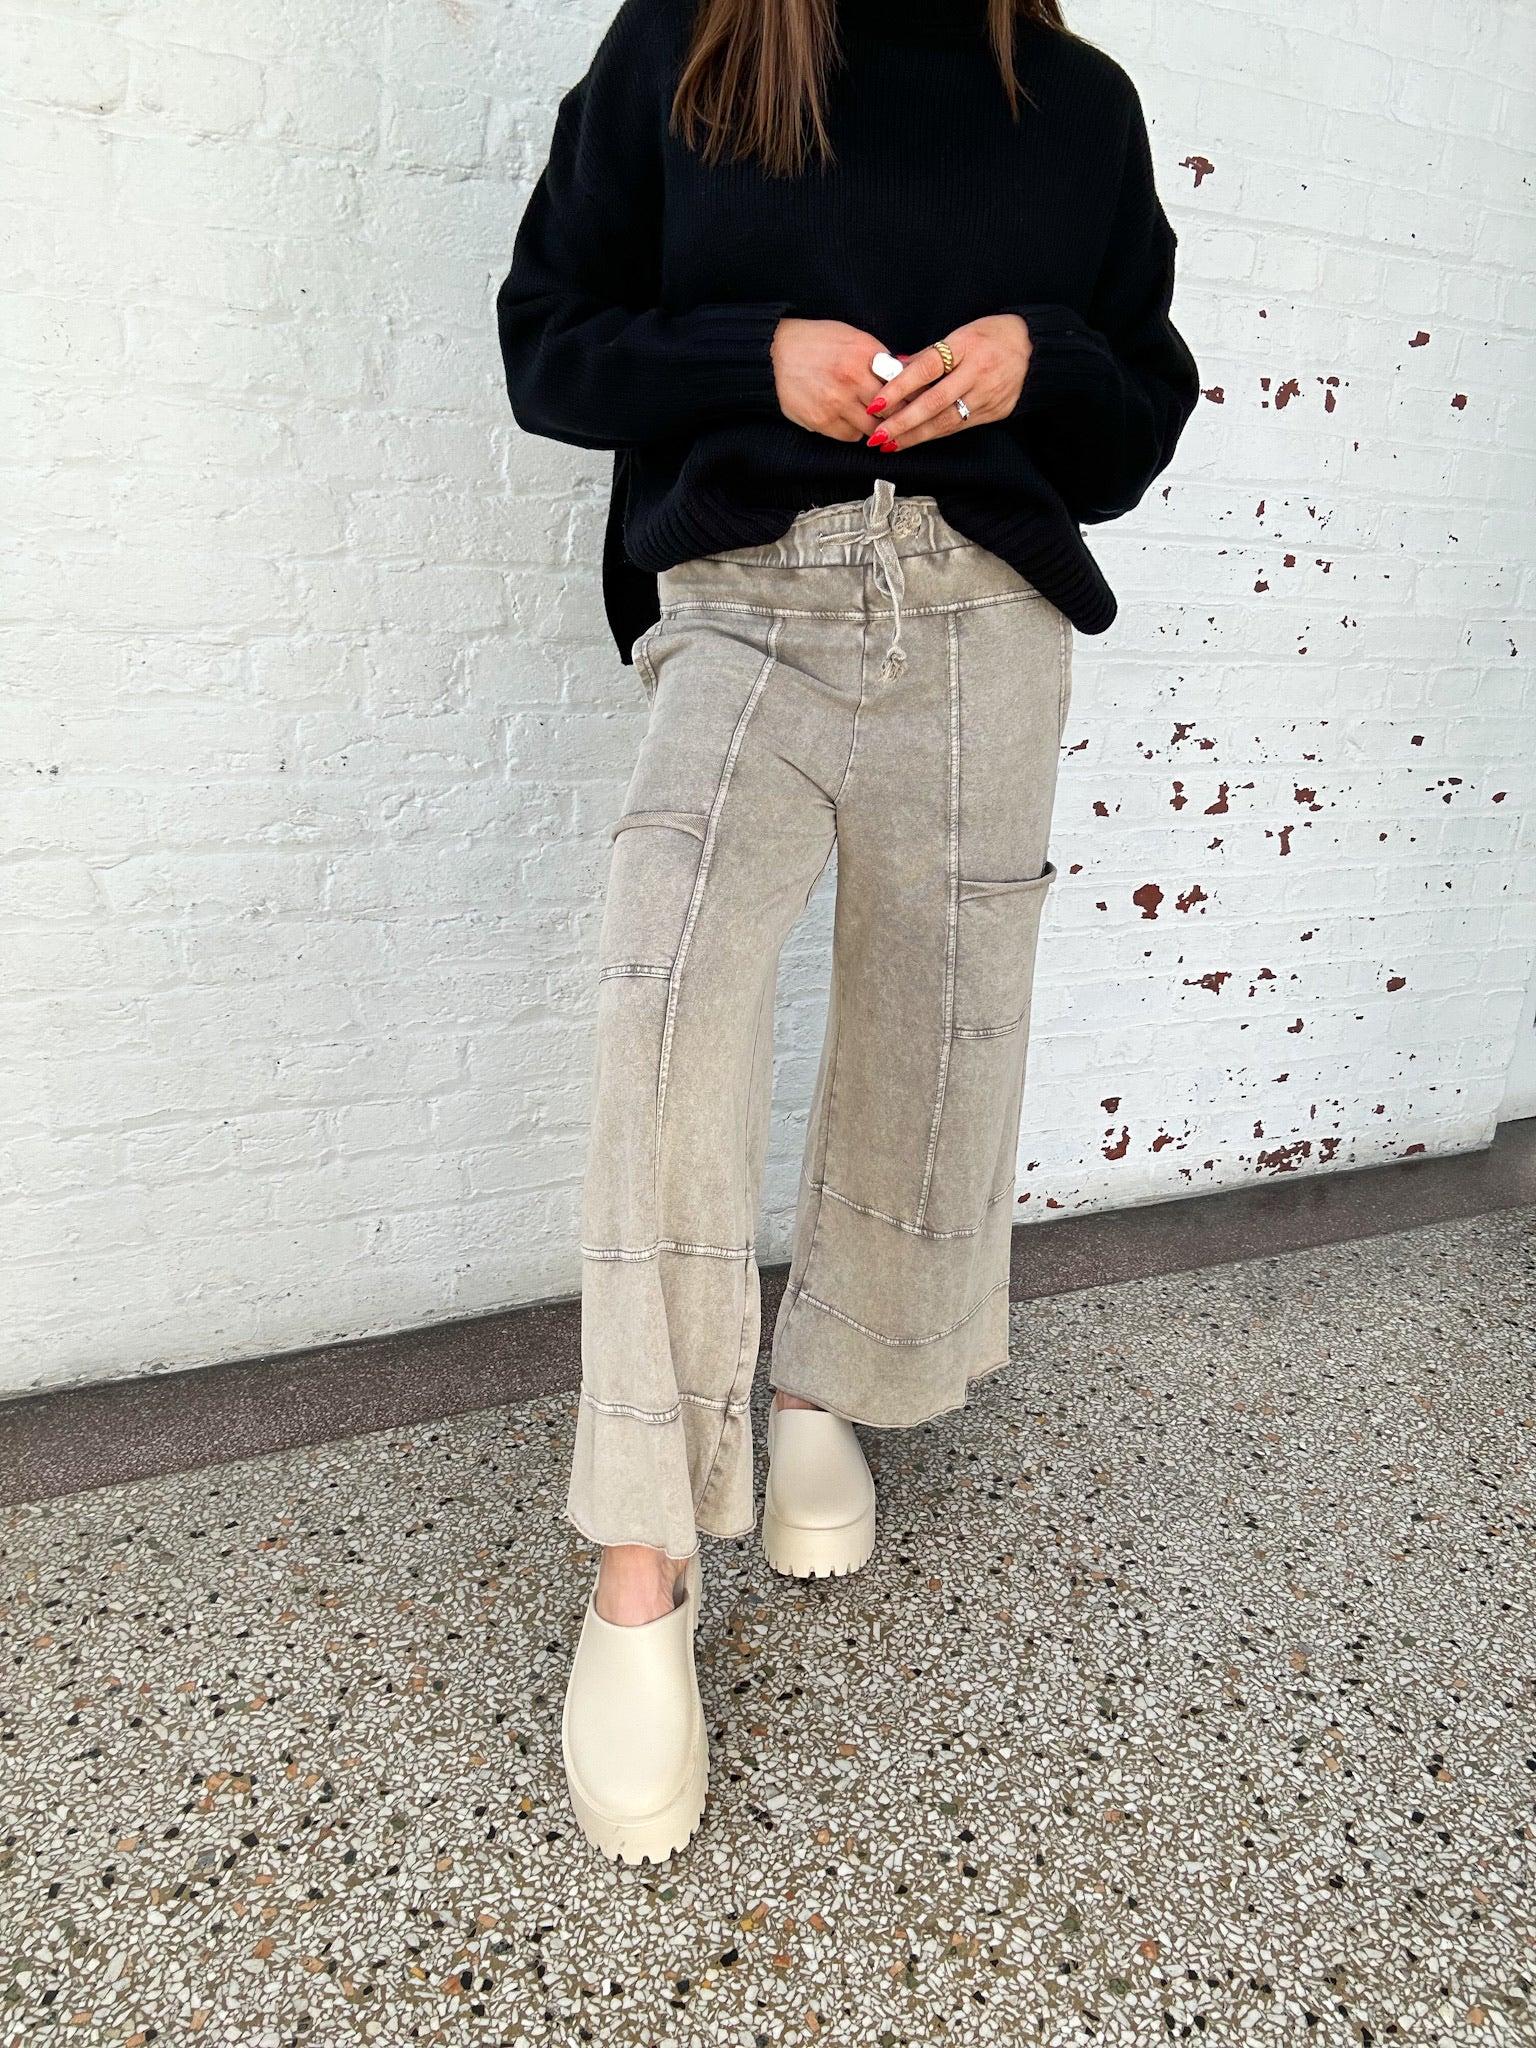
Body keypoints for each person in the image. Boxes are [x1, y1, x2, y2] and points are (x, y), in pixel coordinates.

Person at [497, 0, 1199, 1864]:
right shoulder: (692, 45)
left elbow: (1138, 413)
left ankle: (830, 1380)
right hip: (747, 595)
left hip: (986, 615)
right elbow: (548, 340)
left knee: (940, 1030)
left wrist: (1040, 359)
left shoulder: (1079, 102)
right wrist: (754, 358)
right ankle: (639, 1559)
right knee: (665, 1001)